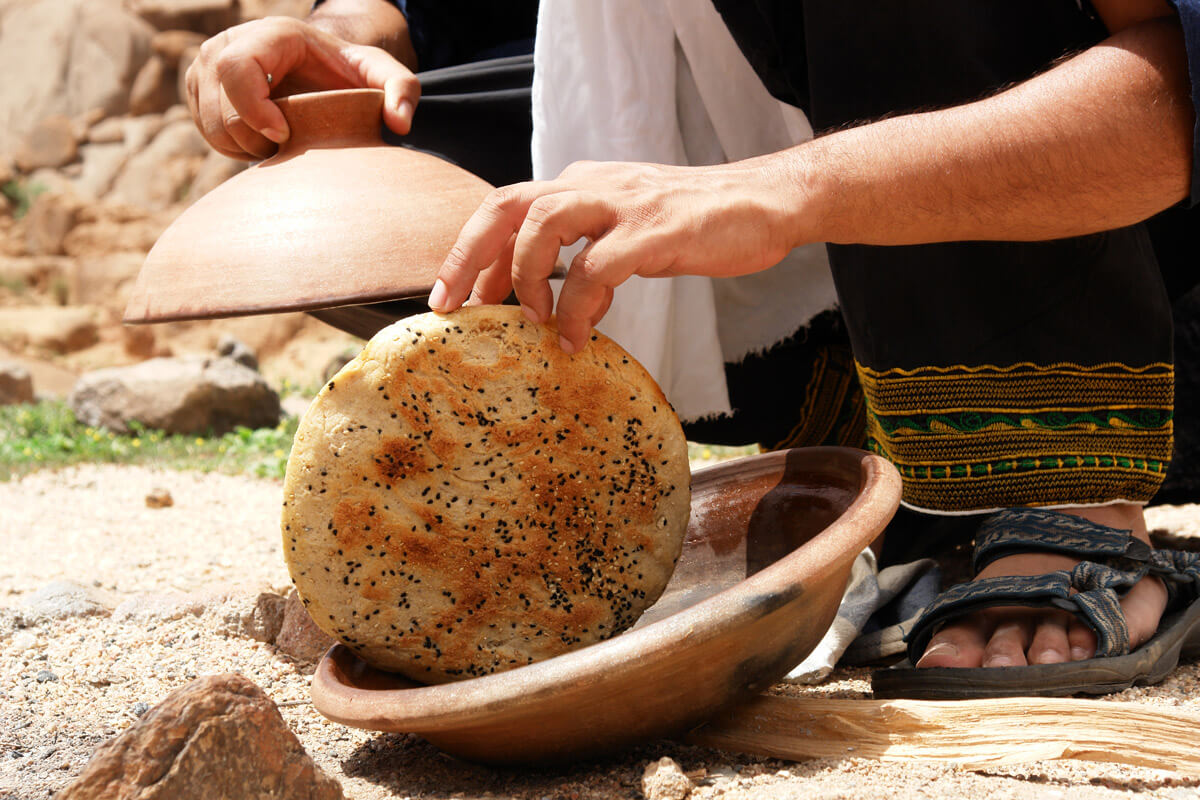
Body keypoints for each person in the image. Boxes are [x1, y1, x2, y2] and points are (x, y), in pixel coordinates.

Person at [189, 0, 1200, 693]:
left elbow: (1178, 84)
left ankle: (1056, 477)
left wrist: (777, 192)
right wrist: (338, 35)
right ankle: (887, 442)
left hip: (1162, 291)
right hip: (839, 285)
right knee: (381, 179)